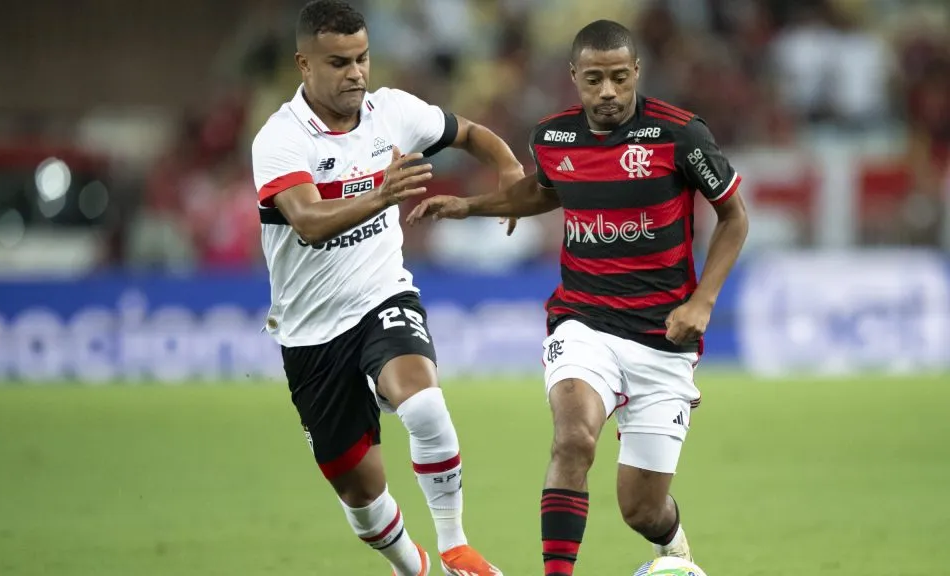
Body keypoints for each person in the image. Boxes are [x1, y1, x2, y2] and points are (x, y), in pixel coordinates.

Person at [407, 19, 750, 575]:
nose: (608, 91)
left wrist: (702, 302)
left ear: (636, 71)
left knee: (641, 509)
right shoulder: (554, 137)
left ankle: (672, 544)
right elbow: (544, 190)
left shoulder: (681, 135)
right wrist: (471, 207)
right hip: (583, 322)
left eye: (619, 77)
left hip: (664, 337)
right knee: (573, 439)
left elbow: (734, 217)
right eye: (594, 79)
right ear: (574, 76)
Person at [250, 2, 523, 575]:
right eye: (339, 62)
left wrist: (508, 167)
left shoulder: (393, 112)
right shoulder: (280, 139)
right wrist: (382, 194)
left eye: (362, 58)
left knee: (424, 404)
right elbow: (308, 221)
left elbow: (468, 132)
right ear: (304, 64)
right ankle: (412, 567)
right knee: (363, 500)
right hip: (311, 334)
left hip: (382, 297)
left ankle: (455, 548)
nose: (356, 73)